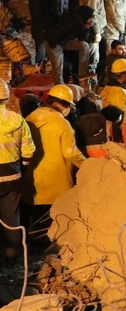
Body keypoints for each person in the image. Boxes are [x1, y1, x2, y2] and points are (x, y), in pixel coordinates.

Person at [21, 85, 86, 216]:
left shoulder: (29, 119)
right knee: (53, 225)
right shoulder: (62, 124)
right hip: (57, 184)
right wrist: (87, 165)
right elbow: (71, 152)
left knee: (34, 223)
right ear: (63, 105)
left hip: (33, 182)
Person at [0, 79, 35, 262]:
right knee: (11, 220)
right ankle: (12, 257)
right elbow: (29, 150)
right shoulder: (17, 120)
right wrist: (23, 168)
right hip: (12, 177)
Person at [47, 5, 94, 83]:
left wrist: (87, 27)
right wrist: (55, 48)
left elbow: (82, 38)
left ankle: (82, 74)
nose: (92, 20)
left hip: (65, 41)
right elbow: (53, 35)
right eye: (90, 17)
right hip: (54, 42)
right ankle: (60, 88)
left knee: (84, 45)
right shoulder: (71, 21)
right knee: (58, 68)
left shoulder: (81, 22)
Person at [79, 0, 110, 74]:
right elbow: (92, 14)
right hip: (91, 32)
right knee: (92, 59)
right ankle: (90, 84)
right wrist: (96, 32)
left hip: (87, 30)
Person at [29, 0, 58, 65]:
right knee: (41, 48)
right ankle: (39, 67)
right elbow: (40, 13)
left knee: (41, 47)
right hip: (40, 28)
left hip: (39, 27)